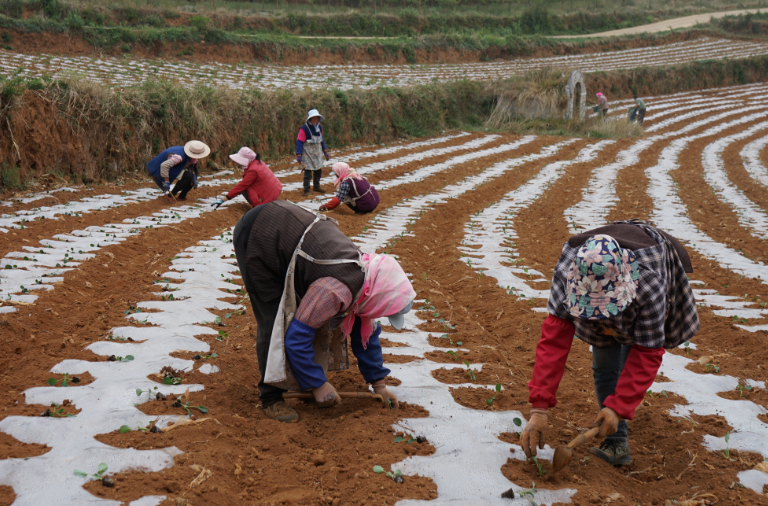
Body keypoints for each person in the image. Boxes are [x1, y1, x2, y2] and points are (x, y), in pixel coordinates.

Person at [519, 220, 699, 467]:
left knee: (628, 363)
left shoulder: (648, 283)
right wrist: (539, 408)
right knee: (604, 365)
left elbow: (646, 353)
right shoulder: (566, 272)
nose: (600, 318)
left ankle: (615, 432)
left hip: (644, 277)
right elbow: (554, 341)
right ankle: (617, 442)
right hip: (602, 287)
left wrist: (619, 406)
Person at [233, 200, 415, 423]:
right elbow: (296, 338)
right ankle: (271, 398)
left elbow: (366, 334)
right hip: (259, 235)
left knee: (310, 316)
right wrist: (318, 384)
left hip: (288, 235)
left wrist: (379, 386)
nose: (378, 313)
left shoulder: (367, 285)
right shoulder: (336, 289)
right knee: (275, 322)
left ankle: (304, 380)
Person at [211, 147, 282, 209]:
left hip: (268, 196)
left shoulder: (253, 170)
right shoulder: (257, 162)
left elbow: (241, 186)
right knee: (244, 188)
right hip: (275, 190)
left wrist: (223, 199)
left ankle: (260, 208)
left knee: (244, 188)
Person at [146, 141, 210, 202]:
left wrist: (194, 177)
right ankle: (170, 195)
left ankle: (182, 196)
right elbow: (164, 166)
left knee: (191, 178)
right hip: (158, 168)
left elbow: (190, 166)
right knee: (187, 176)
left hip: (174, 166)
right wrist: (166, 181)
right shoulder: (178, 157)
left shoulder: (192, 158)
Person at [296, 109, 330, 196]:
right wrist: (299, 154)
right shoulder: (304, 129)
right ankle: (306, 190)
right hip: (307, 154)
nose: (315, 120)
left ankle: (316, 186)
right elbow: (299, 141)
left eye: (317, 118)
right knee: (308, 173)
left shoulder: (320, 128)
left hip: (317, 153)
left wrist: (325, 150)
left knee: (318, 171)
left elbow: (321, 140)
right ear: (309, 119)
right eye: (313, 118)